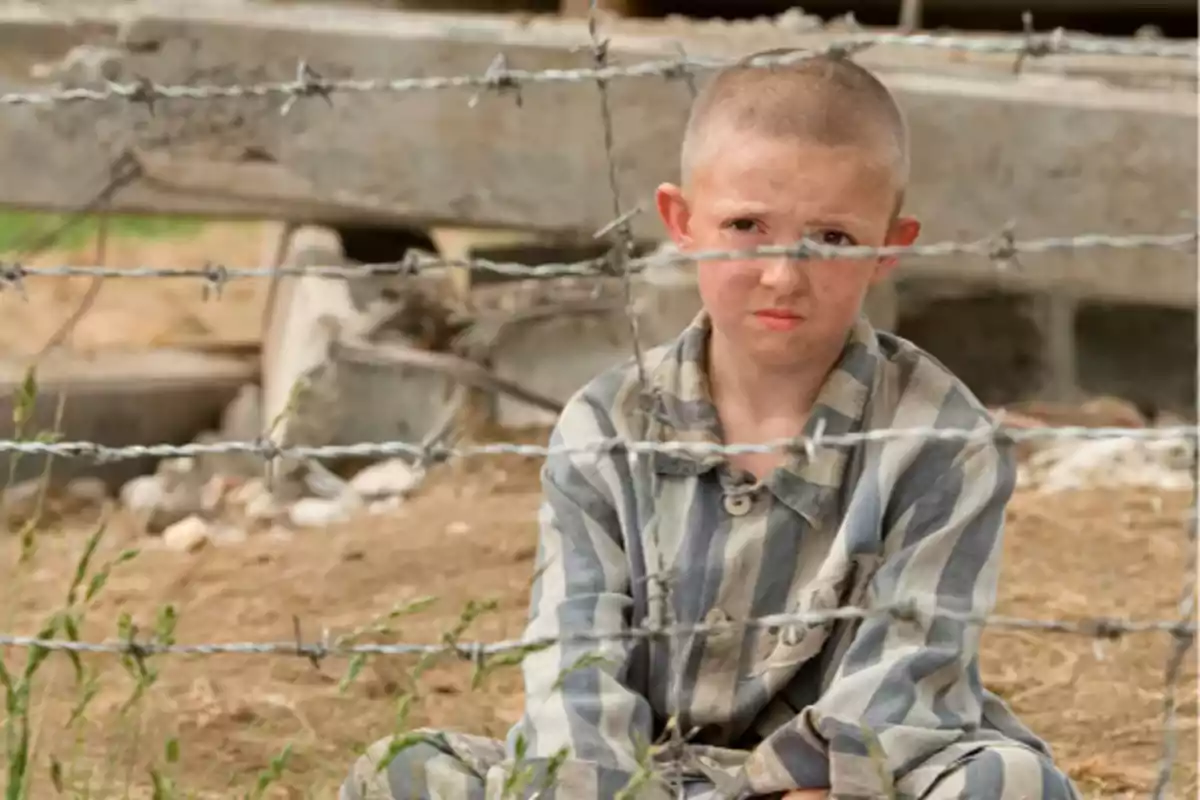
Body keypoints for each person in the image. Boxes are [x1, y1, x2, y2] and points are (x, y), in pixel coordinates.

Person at [340, 49, 1080, 800]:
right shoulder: (608, 424)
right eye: (747, 225)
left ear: (890, 246)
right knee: (399, 770)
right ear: (680, 221)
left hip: (838, 788)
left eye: (832, 238)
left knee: (1010, 783)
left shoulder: (941, 439)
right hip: (636, 780)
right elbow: (577, 659)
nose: (783, 274)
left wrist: (804, 785)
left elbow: (910, 668)